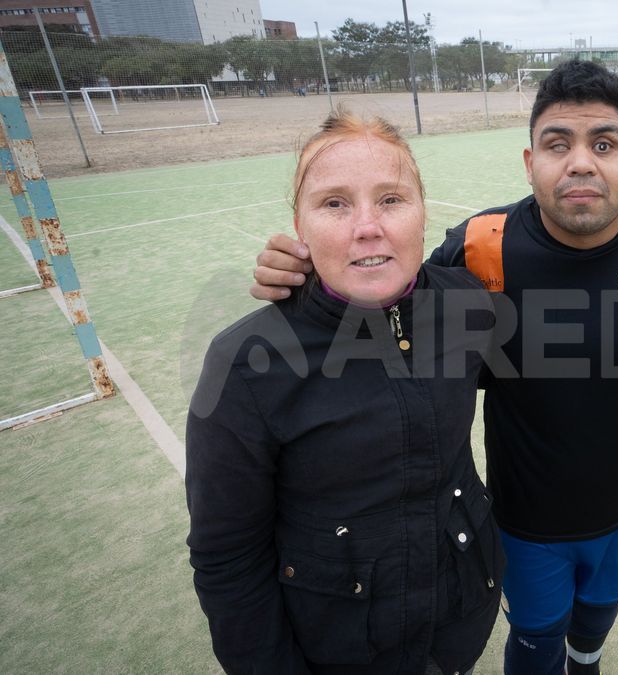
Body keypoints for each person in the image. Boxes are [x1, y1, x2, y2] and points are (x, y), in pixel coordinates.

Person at [250, 60, 618, 675]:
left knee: (601, 610)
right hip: (522, 518)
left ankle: (588, 661)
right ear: (530, 164)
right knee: (534, 631)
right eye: (559, 144)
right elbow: (391, 297)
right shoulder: (481, 243)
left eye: (603, 144)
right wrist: (313, 277)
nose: (581, 162)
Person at [187, 110, 504, 675]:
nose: (367, 226)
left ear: (424, 214)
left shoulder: (468, 306)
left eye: (391, 199)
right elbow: (228, 559)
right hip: (338, 651)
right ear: (298, 227)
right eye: (334, 203)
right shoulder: (246, 363)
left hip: (459, 624)